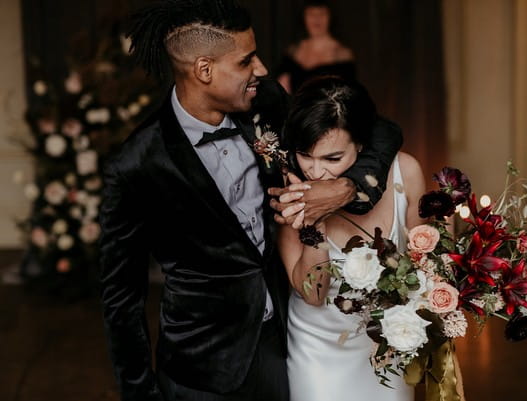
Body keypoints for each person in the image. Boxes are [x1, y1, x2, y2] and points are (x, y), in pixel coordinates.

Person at [99, 1, 403, 401]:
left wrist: (347, 186)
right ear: (204, 70)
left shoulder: (266, 102)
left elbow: (380, 129)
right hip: (200, 372)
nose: (260, 68)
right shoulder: (135, 165)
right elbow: (121, 300)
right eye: (246, 61)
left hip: (282, 350)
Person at [277, 76, 426, 401]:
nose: (315, 173)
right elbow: (313, 294)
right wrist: (313, 222)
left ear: (361, 145)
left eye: (332, 159)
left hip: (386, 348)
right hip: (317, 353)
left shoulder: (406, 172)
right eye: (305, 155)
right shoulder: (291, 191)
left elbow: (424, 264)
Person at [277, 0, 355, 93]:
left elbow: (348, 93)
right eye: (311, 14)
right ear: (304, 18)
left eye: (322, 14)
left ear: (330, 17)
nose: (316, 19)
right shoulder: (293, 51)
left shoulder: (342, 54)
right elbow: (281, 87)